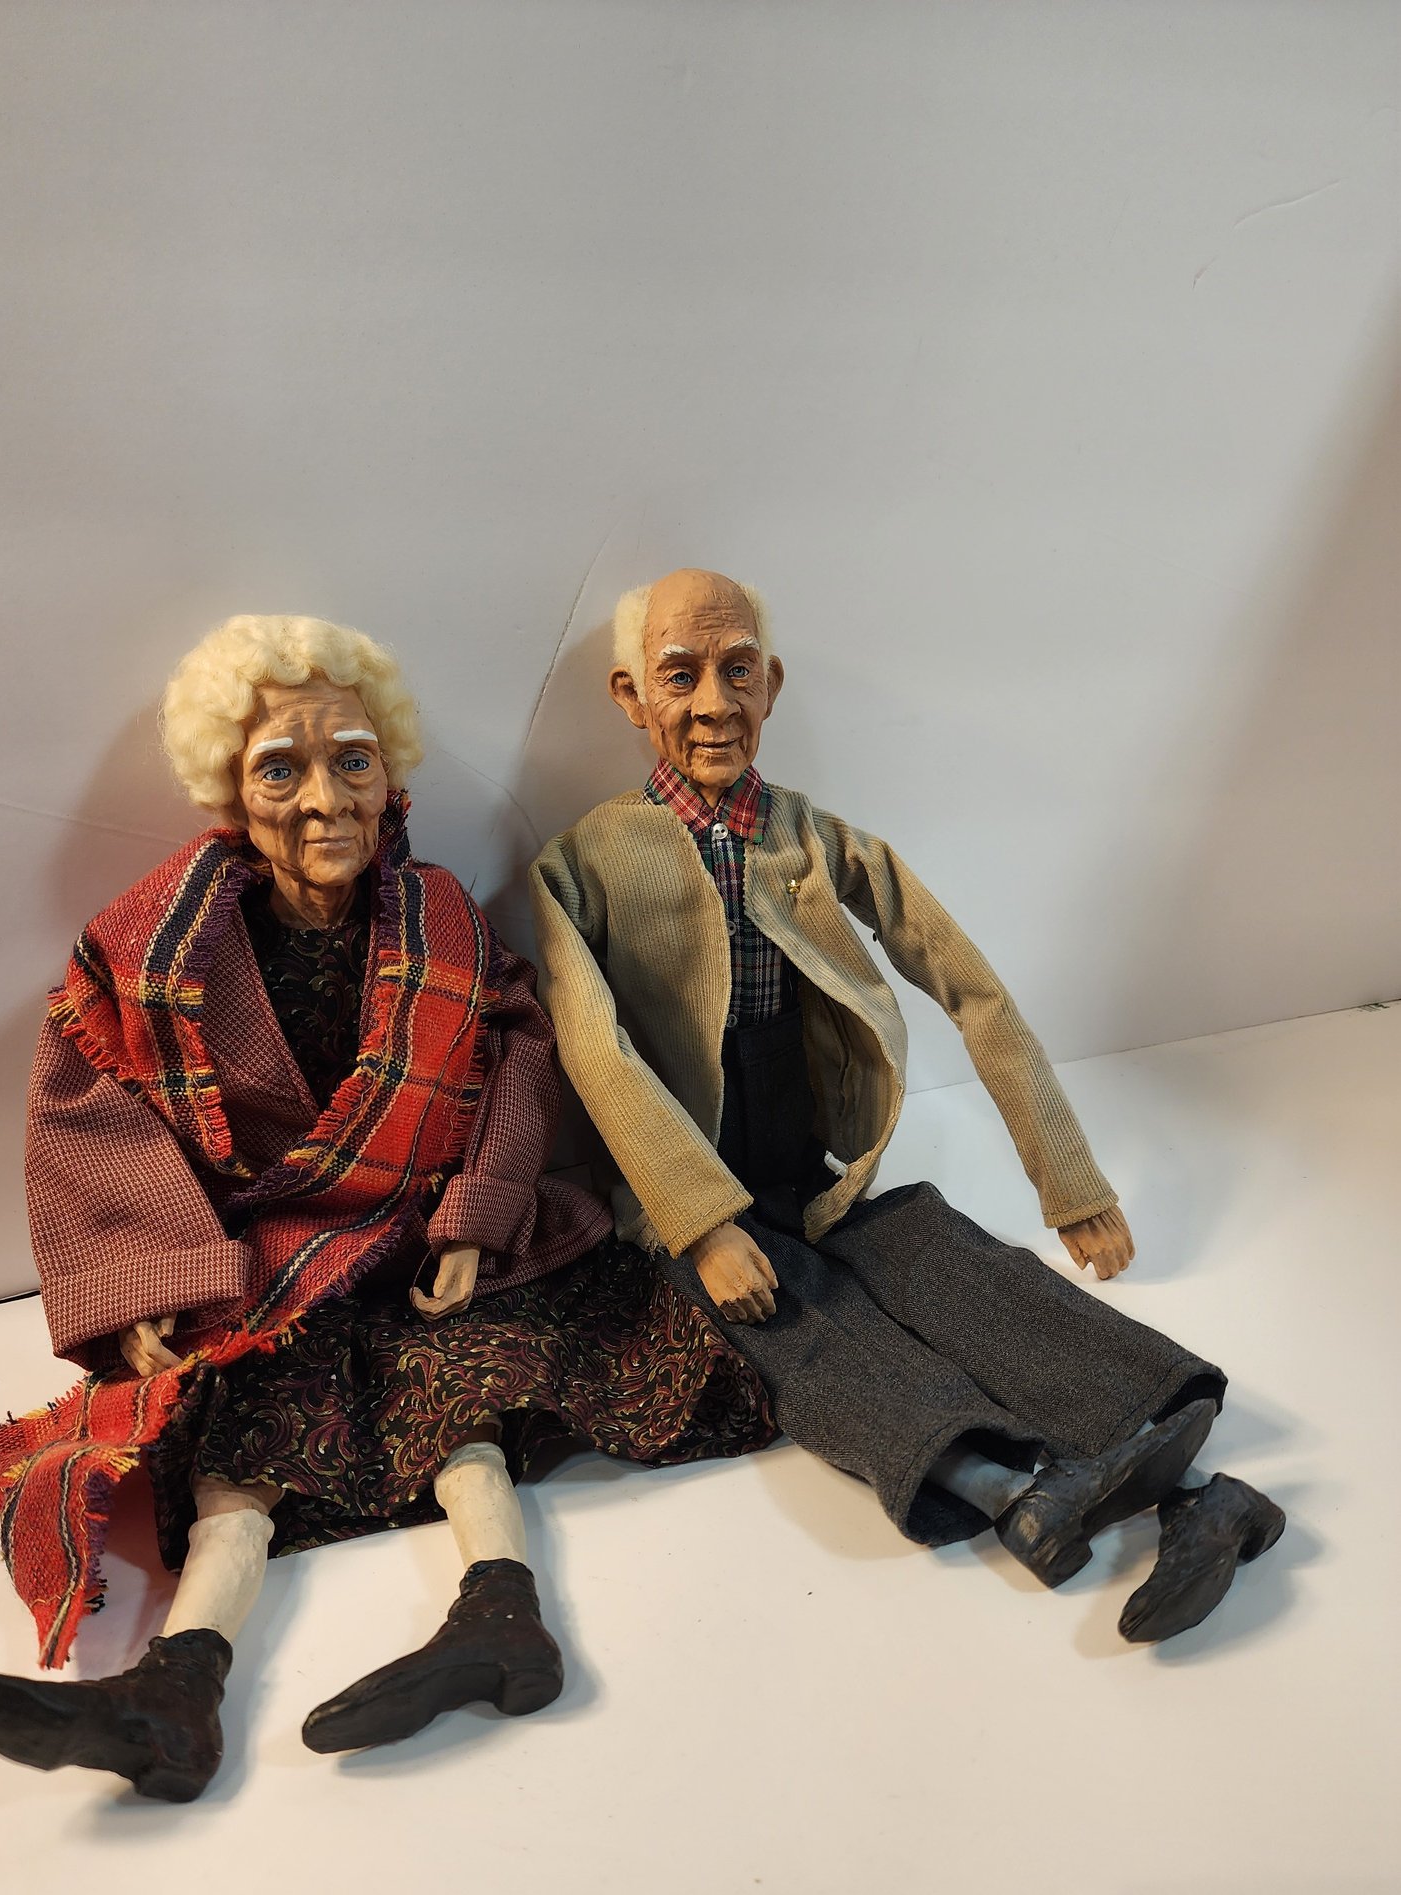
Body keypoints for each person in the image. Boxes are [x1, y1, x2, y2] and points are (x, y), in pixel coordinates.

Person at [0, 613, 773, 1802]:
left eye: (352, 760)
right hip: (269, 1264)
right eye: (282, 769)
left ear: (389, 772)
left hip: (421, 1234)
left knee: (460, 1382)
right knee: (245, 1435)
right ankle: (176, 1687)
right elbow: (91, 1098)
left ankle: (500, 1616)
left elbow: (520, 1050)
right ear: (232, 790)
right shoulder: (157, 950)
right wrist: (152, 1277)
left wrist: (475, 1215)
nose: (325, 798)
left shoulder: (441, 918)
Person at [529, 568, 1284, 1644]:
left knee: (944, 1259)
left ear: (771, 682)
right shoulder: (583, 862)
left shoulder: (812, 838)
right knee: (797, 1336)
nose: (712, 704)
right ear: (631, 696)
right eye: (679, 675)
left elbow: (970, 986)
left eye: (738, 670)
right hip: (690, 1172)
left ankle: (1193, 1484)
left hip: (813, 1165)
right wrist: (700, 1223)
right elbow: (595, 1050)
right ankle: (1018, 1494)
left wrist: (1067, 1175)